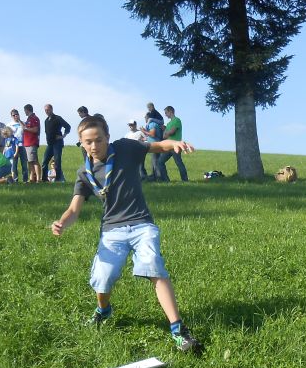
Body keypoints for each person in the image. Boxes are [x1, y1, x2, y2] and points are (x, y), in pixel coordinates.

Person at [51, 113, 202, 352]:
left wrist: (174, 143)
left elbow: (155, 146)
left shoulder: (125, 148)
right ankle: (103, 310)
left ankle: (178, 330)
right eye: (88, 142)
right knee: (103, 277)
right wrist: (61, 223)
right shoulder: (84, 173)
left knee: (153, 264)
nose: (94, 145)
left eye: (99, 140)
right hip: (112, 230)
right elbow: (73, 210)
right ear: (81, 143)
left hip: (142, 224)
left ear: (107, 137)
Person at [40, 103, 71, 182]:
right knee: (44, 161)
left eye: (48, 110)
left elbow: (67, 126)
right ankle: (44, 179)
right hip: (50, 144)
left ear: (51, 109)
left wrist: (63, 136)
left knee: (57, 161)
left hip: (57, 143)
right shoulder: (46, 120)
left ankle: (58, 179)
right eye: (45, 110)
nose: (46, 111)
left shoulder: (57, 118)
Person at [158, 105, 189, 182]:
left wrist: (167, 132)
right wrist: (165, 130)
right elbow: (164, 136)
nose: (165, 114)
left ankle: (185, 180)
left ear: (171, 111)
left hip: (176, 145)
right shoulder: (168, 124)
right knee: (160, 162)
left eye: (166, 113)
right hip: (168, 146)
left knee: (178, 163)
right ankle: (166, 180)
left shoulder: (177, 120)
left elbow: (172, 132)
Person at [142, 107, 166, 181]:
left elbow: (152, 134)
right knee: (154, 161)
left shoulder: (152, 124)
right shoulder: (153, 124)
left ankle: (158, 177)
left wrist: (143, 131)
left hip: (155, 145)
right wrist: (145, 138)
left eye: (145, 117)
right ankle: (155, 176)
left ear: (148, 117)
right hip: (155, 145)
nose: (144, 119)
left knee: (155, 162)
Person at [22, 104, 42, 183]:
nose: (25, 112)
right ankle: (31, 178)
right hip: (27, 143)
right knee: (30, 161)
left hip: (32, 142)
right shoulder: (29, 119)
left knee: (34, 161)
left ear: (27, 110)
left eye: (25, 111)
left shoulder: (34, 118)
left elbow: (35, 129)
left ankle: (38, 179)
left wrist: (26, 128)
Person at [7, 109, 28, 182]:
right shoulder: (9, 125)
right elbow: (7, 135)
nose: (15, 116)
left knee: (24, 163)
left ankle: (25, 180)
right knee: (14, 164)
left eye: (17, 114)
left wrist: (19, 120)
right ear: (11, 116)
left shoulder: (23, 122)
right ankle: (15, 179)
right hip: (13, 146)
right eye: (14, 115)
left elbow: (25, 128)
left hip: (22, 145)